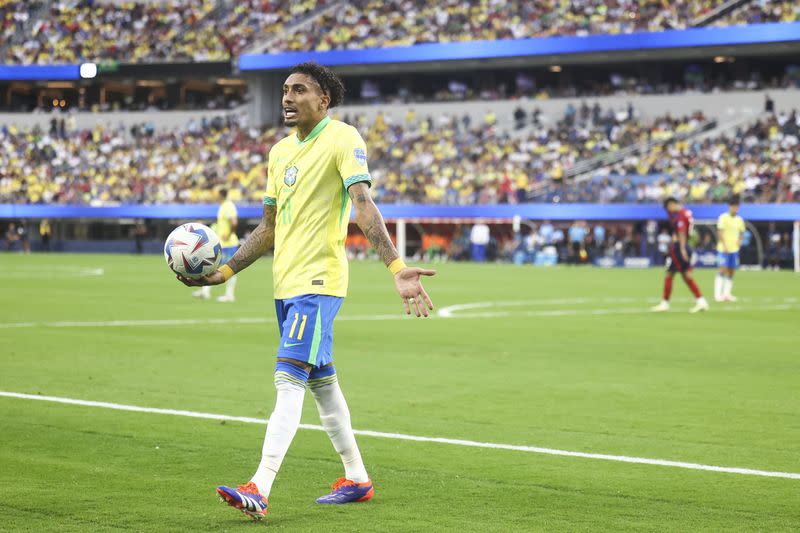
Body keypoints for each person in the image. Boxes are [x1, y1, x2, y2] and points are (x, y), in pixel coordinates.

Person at [176, 62, 435, 520]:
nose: (287, 98)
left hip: (319, 283)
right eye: (284, 90)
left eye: (299, 90)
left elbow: (363, 205)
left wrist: (395, 265)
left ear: (324, 100)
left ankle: (260, 485)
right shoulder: (278, 153)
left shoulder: (343, 138)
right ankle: (357, 478)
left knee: (287, 378)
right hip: (286, 285)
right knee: (322, 384)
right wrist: (224, 274)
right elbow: (268, 228)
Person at [651, 197, 709, 313]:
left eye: (668, 208)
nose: (669, 211)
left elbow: (681, 232)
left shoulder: (681, 215)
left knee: (670, 274)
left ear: (672, 205)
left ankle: (665, 303)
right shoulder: (686, 212)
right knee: (686, 275)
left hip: (679, 248)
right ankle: (701, 301)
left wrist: (682, 249)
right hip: (684, 246)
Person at [194, 189, 240, 302]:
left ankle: (229, 295)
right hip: (222, 244)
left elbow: (234, 222)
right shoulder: (223, 206)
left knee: (229, 269)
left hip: (228, 244)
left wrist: (229, 235)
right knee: (210, 266)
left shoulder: (228, 206)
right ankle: (205, 291)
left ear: (220, 195)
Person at [715, 196, 746, 302]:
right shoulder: (723, 217)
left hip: (734, 249)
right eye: (733, 206)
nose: (735, 208)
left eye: (737, 207)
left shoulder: (740, 220)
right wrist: (724, 246)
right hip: (723, 249)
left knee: (731, 271)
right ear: (729, 207)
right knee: (722, 269)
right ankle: (718, 295)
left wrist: (740, 241)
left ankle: (727, 294)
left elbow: (742, 232)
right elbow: (720, 232)